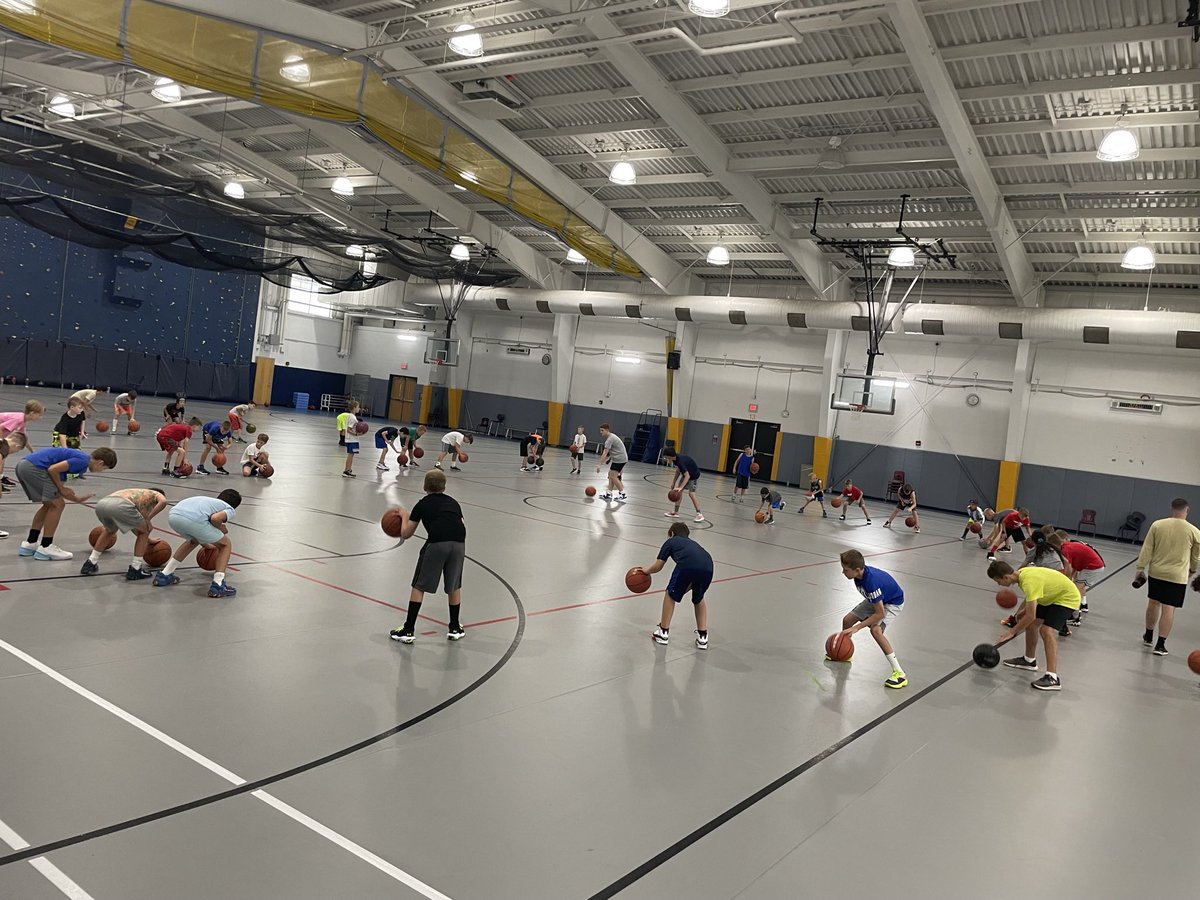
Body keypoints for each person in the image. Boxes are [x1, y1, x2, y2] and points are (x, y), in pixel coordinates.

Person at [389, 469, 466, 644]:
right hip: (459, 543)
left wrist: (404, 516)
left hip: (437, 543)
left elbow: (407, 534)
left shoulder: (422, 504)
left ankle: (408, 629)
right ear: (444, 486)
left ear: (424, 486)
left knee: (419, 585)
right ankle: (454, 627)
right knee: (454, 585)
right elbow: (461, 524)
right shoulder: (454, 503)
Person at [988, 559, 1081, 692]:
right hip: (1051, 597)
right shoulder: (1022, 575)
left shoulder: (1028, 581)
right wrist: (1023, 611)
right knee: (1031, 626)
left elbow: (1031, 615)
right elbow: (1035, 598)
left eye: (998, 581)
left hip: (1067, 598)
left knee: (1047, 631)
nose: (999, 584)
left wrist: (1012, 632)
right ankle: (1029, 660)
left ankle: (1052, 677)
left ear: (1006, 577)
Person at [14, 447, 117, 560]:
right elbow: (53, 470)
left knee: (49, 505)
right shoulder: (82, 461)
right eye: (104, 468)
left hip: (24, 466)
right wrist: (62, 489)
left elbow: (58, 487)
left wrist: (77, 499)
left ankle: (30, 543)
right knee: (58, 505)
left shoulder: (79, 461)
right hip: (34, 468)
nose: (101, 471)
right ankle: (46, 546)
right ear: (100, 462)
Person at [1134, 498, 1200, 657]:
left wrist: (1140, 568)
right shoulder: (1194, 531)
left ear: (1172, 509)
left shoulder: (1158, 525)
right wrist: (1192, 570)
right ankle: (1160, 645)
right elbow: (1196, 556)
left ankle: (1148, 635)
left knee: (1153, 602)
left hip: (1157, 572)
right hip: (1177, 576)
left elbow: (1147, 548)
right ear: (1187, 510)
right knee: (1169, 608)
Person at [835, 549, 907, 689]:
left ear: (857, 570)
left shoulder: (871, 583)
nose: (843, 572)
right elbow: (874, 602)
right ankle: (844, 652)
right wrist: (863, 619)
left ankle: (899, 673)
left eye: (845, 570)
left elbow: (880, 614)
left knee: (876, 630)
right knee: (847, 620)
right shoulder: (858, 576)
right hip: (876, 599)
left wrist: (858, 627)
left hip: (892, 602)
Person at [634, 522, 713, 649]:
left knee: (670, 594)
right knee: (699, 598)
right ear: (687, 534)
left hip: (687, 565)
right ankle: (703, 637)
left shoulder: (671, 542)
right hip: (708, 565)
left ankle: (663, 632)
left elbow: (658, 566)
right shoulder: (693, 544)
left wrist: (646, 570)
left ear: (671, 533)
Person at [154, 488, 242, 598]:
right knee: (225, 544)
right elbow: (215, 519)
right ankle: (218, 585)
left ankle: (164, 575)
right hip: (193, 520)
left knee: (193, 541)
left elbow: (200, 527)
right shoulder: (229, 508)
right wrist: (221, 528)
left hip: (174, 516)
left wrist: (206, 544)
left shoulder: (209, 501)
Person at [81, 487, 168, 579]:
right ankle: (136, 568)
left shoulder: (138, 495)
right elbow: (163, 502)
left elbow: (135, 526)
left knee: (110, 531)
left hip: (102, 504)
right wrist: (148, 519)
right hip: (121, 505)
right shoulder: (155, 494)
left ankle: (90, 562)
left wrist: (148, 540)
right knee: (145, 531)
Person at [1049, 529, 1105, 628]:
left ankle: (1075, 616)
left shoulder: (1065, 550)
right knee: (1077, 587)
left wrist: (1064, 581)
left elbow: (1069, 568)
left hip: (1092, 568)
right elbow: (1074, 567)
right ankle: (1082, 607)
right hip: (1091, 566)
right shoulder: (1068, 546)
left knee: (1075, 591)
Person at [662, 447, 704, 523]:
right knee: (678, 492)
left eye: (666, 456)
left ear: (669, 456)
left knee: (691, 494)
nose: (665, 458)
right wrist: (674, 482)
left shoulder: (680, 461)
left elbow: (688, 476)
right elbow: (678, 470)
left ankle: (699, 514)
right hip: (686, 475)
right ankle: (676, 512)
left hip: (693, 476)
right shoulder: (675, 459)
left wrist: (680, 487)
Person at [595, 423, 628, 502]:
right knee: (610, 475)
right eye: (600, 431)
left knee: (613, 476)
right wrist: (609, 459)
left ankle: (622, 494)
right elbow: (612, 451)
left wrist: (599, 464)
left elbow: (605, 452)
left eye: (602, 430)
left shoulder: (610, 439)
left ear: (607, 430)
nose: (601, 432)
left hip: (620, 459)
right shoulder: (611, 437)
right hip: (618, 459)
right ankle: (609, 493)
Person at [342, 402, 362, 478]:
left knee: (351, 455)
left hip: (349, 439)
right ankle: (347, 471)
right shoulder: (353, 418)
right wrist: (357, 434)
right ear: (354, 408)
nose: (359, 409)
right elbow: (349, 429)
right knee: (351, 455)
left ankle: (348, 469)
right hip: (352, 440)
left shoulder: (350, 416)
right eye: (358, 407)